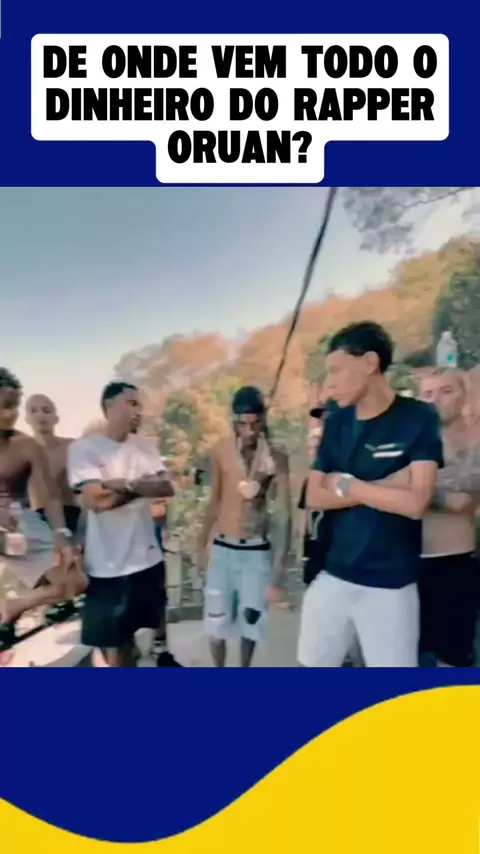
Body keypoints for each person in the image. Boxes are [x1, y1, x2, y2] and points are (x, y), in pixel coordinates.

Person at [298, 321, 443, 667]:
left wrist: (347, 484)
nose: (329, 383)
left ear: (369, 362)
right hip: (333, 574)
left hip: (391, 587)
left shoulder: (418, 416)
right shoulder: (336, 423)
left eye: (336, 370)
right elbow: (314, 496)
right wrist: (390, 484)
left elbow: (416, 503)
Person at [67, 381, 177, 667]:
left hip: (147, 559)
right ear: (109, 406)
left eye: (140, 405)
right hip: (107, 568)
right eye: (132, 403)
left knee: (153, 622)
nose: (139, 411)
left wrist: (124, 485)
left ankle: (161, 656)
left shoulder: (145, 447)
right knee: (118, 646)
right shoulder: (84, 449)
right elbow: (96, 502)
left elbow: (166, 487)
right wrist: (141, 486)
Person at [198, 386, 292, 667]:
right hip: (223, 548)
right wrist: (200, 545)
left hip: (256, 550)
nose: (249, 431)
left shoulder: (276, 455)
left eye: (255, 424)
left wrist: (279, 568)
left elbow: (284, 514)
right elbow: (214, 500)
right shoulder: (221, 450)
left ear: (263, 420)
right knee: (216, 622)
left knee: (252, 621)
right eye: (242, 424)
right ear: (233, 421)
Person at [0, 369, 76, 663]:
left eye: (14, 406)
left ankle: (15, 606)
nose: (11, 414)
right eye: (4, 406)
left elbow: (51, 497)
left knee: (74, 582)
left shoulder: (27, 446)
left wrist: (62, 536)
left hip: (21, 520)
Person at [418, 369, 480, 667]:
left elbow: (470, 492)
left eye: (446, 391)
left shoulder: (475, 441)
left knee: (454, 657)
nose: (435, 400)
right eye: (428, 394)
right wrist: (442, 497)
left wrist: (426, 489)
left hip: (458, 560)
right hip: (409, 560)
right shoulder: (411, 441)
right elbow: (394, 484)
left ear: (464, 395)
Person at [25, 393, 84, 621]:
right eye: (34, 410)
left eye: (46, 410)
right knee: (62, 579)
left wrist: (81, 533)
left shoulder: (72, 447)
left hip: (73, 515)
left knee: (79, 577)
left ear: (56, 418)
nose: (40, 415)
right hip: (39, 522)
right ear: (27, 419)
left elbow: (84, 490)